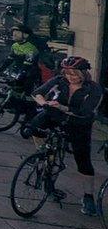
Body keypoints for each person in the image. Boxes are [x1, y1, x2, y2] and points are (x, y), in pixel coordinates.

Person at [21, 56, 104, 215]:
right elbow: (37, 93)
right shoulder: (60, 80)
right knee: (35, 127)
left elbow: (85, 111)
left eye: (74, 74)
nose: (71, 77)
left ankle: (88, 197)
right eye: (67, 73)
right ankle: (44, 155)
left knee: (83, 161)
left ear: (84, 72)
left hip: (79, 124)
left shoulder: (93, 88)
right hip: (56, 117)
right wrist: (44, 103)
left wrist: (61, 106)